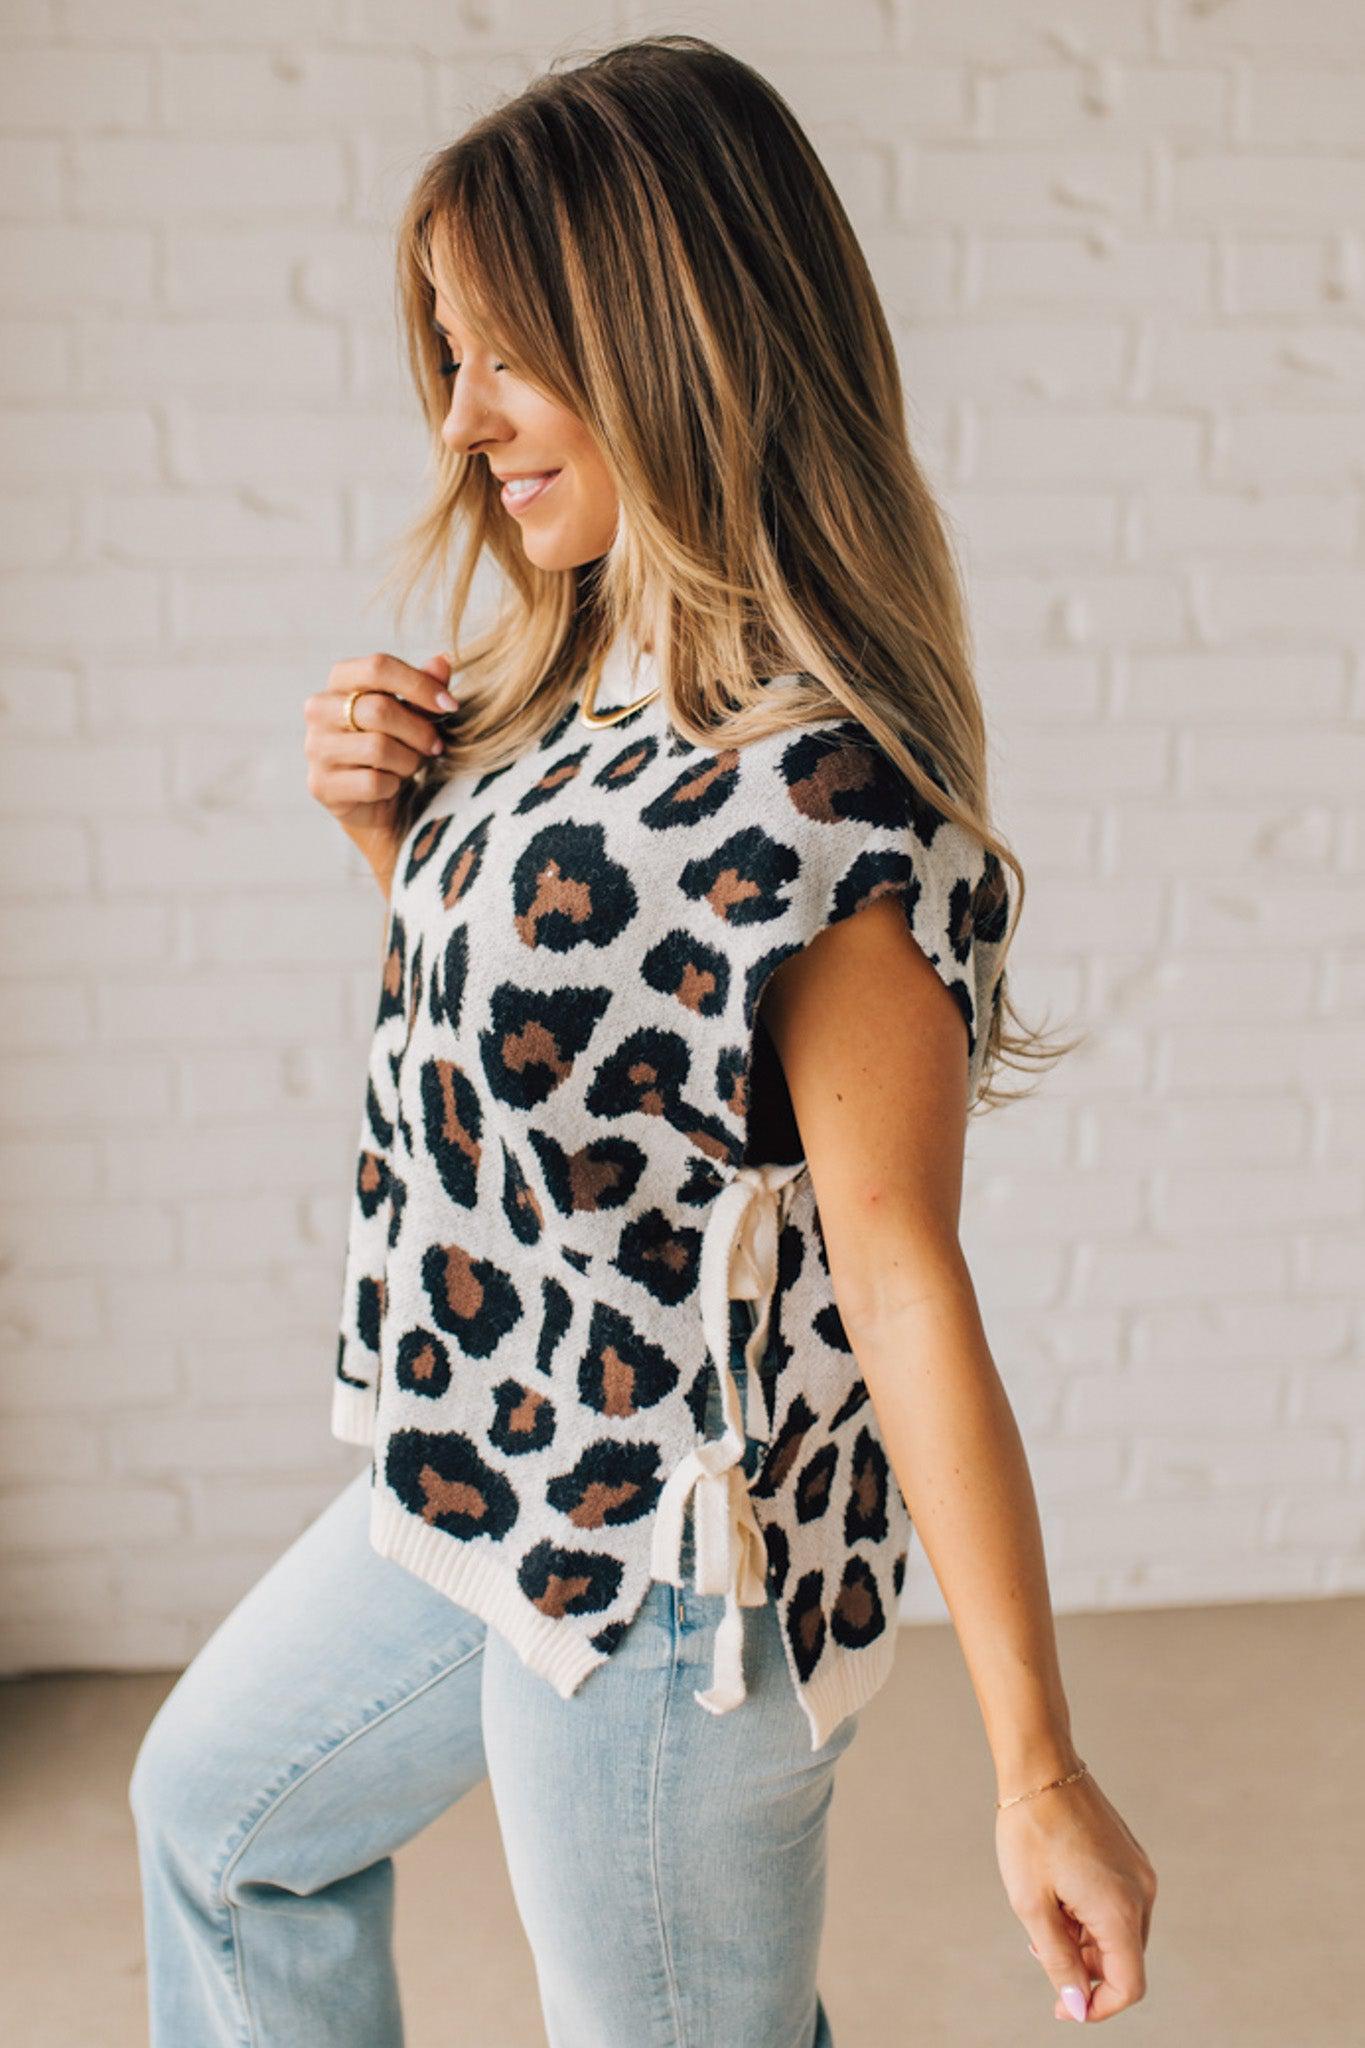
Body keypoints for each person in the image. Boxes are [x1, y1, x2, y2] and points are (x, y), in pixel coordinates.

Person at [128, 32, 1156, 2046]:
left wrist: (1035, 1763)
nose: (459, 419)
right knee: (222, 1827)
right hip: (479, 1460)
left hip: (678, 1576)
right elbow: (585, 1073)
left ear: (674, 345)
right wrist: (394, 845)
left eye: (508, 356)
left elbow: (896, 1272)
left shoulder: (831, 807)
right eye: (450, 356)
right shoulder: (570, 671)